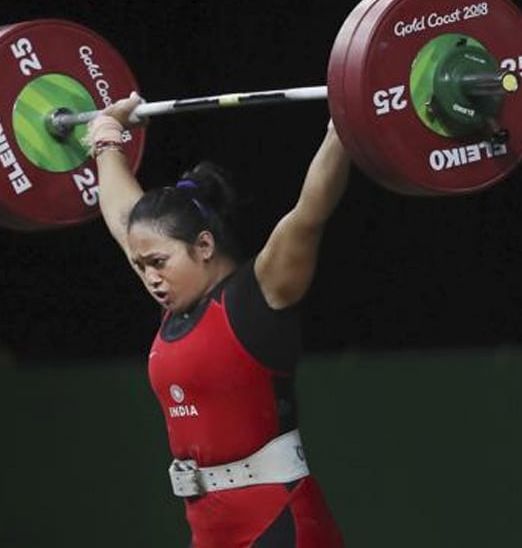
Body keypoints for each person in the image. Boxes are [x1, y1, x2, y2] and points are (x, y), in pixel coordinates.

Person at [87, 92, 350, 547]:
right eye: (140, 265)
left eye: (157, 262)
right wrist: (107, 140)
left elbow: (308, 215)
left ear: (204, 246)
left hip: (280, 524)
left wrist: (343, 128)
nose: (148, 276)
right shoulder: (174, 303)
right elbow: (123, 219)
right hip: (209, 529)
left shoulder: (257, 297)